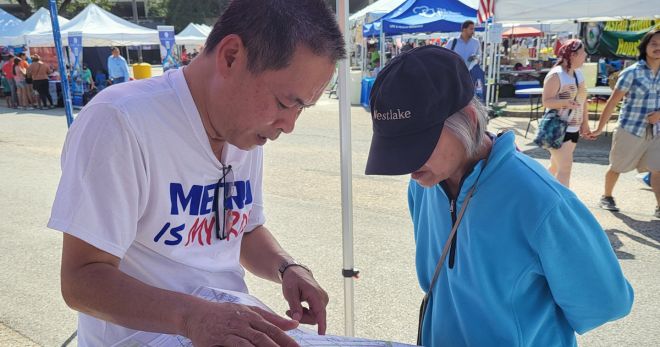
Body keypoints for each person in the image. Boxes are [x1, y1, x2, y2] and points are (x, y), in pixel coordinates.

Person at [48, 0, 345, 346]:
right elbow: (81, 281)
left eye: (301, 109)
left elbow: (241, 229)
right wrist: (192, 318)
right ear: (231, 56)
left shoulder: (244, 132)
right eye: (284, 103)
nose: (289, 125)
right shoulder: (120, 121)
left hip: (226, 326)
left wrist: (287, 268)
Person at [364, 45, 633, 347]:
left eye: (418, 147)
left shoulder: (539, 200)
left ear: (469, 120)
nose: (408, 167)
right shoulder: (424, 184)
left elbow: (606, 301)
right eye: (396, 151)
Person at [592, 29, 660, 218]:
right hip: (630, 129)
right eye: (654, 43)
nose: (658, 47)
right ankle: (607, 196)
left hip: (656, 131)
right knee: (617, 166)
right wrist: (599, 128)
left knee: (658, 169)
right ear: (645, 46)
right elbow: (613, 102)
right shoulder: (632, 72)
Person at [540, 39, 594, 187]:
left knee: (556, 166)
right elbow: (546, 102)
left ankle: (539, 189)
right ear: (573, 55)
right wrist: (564, 103)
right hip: (557, 128)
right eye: (583, 52)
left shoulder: (578, 74)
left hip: (573, 128)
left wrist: (585, 123)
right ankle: (563, 203)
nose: (585, 55)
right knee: (565, 168)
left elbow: (582, 101)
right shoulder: (556, 75)